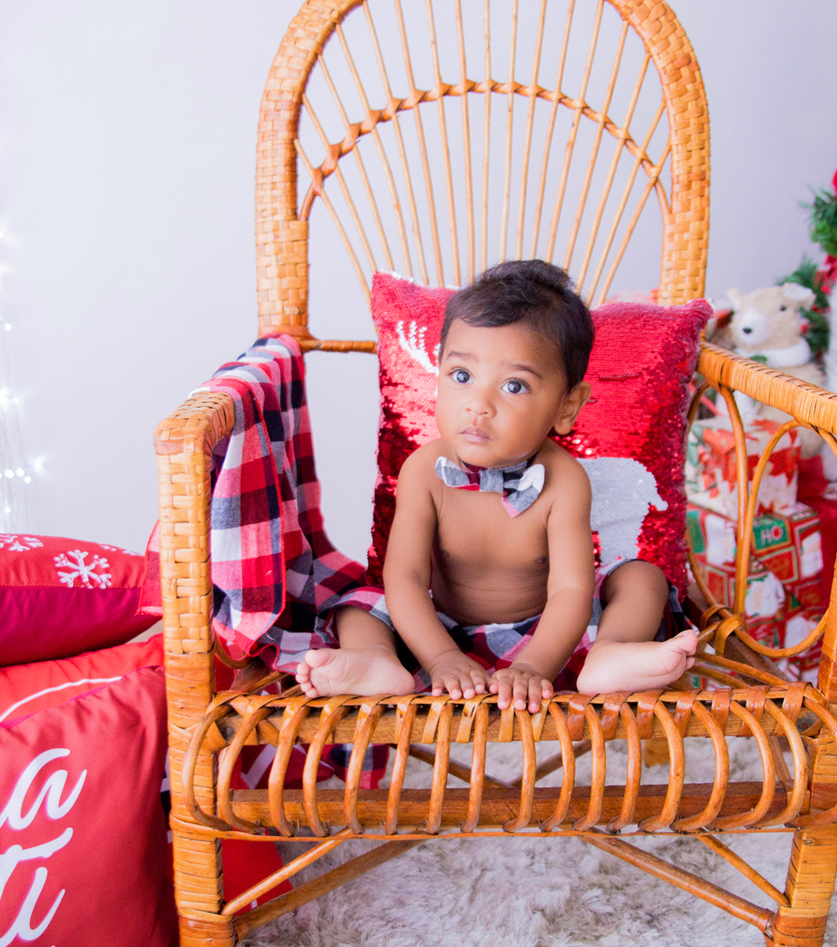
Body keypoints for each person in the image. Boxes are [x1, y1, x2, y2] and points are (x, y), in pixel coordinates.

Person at [296, 260, 698, 708]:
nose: (478, 405)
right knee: (361, 603)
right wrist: (441, 657)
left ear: (568, 406)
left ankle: (609, 653)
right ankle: (375, 660)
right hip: (435, 631)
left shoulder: (564, 480)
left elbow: (570, 590)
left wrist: (534, 666)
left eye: (514, 386)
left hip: (551, 635)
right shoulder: (424, 470)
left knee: (642, 578)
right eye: (462, 376)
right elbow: (406, 577)